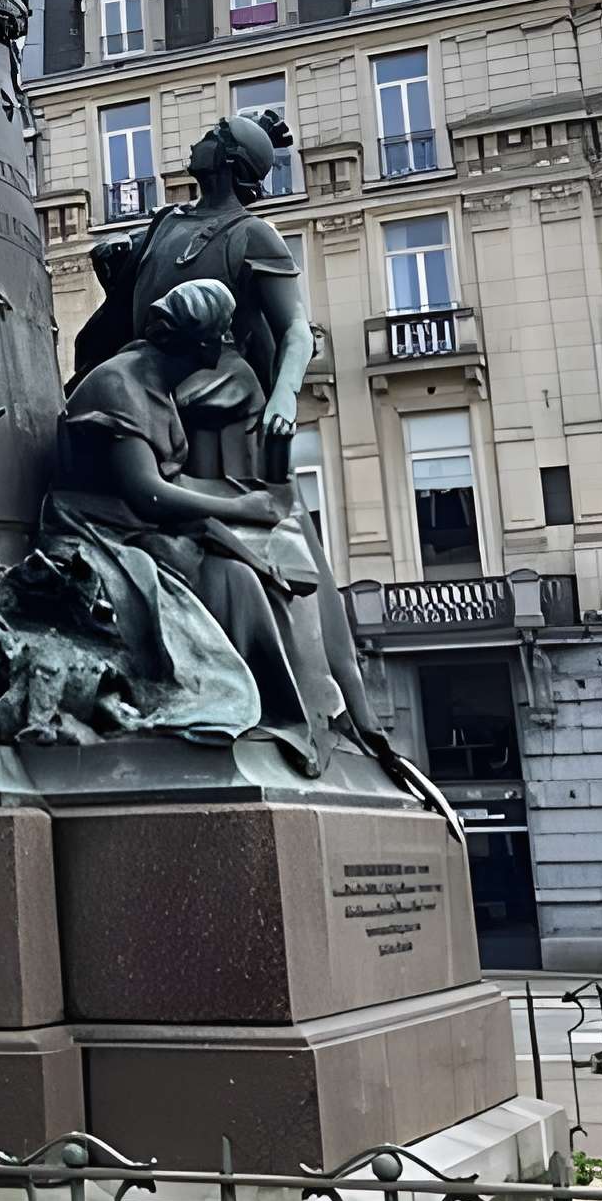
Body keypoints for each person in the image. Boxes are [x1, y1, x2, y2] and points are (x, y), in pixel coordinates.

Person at [71, 110, 398, 761]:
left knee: (288, 547)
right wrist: (118, 276)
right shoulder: (167, 223)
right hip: (154, 386)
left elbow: (298, 331)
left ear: (223, 158)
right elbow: (127, 312)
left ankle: (348, 702)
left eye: (209, 132)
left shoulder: (254, 236)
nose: (193, 138)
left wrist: (283, 396)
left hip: (221, 402)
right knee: (231, 541)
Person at [50, 277, 340, 771]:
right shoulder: (120, 384)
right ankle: (252, 710)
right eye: (223, 333)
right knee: (231, 583)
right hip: (103, 533)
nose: (229, 342)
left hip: (148, 530)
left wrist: (248, 549)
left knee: (248, 577)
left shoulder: (160, 383)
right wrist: (242, 510)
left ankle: (281, 719)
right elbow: (149, 494)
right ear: (201, 342)